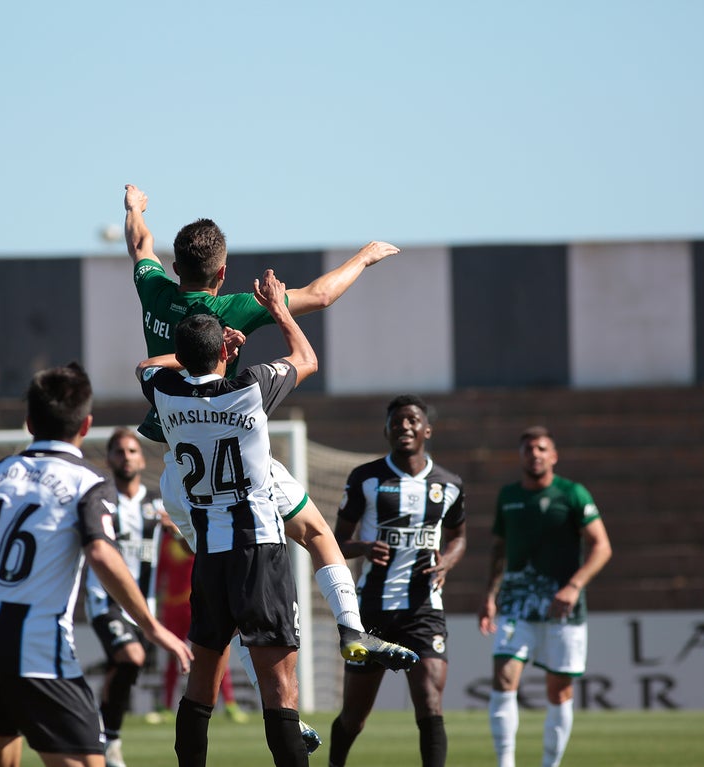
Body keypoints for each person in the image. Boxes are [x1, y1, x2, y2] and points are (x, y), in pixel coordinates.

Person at [123, 183, 416, 681]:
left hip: (181, 475)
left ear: (175, 267)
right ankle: (352, 629)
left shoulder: (153, 289)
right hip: (237, 461)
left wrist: (134, 208)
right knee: (317, 534)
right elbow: (321, 295)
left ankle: (275, 707)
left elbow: (138, 244)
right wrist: (364, 257)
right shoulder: (230, 309)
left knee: (225, 585)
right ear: (222, 273)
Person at [0, 363, 193, 767]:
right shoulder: (87, 483)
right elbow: (100, 553)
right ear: (86, 425)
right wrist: (151, 626)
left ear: (29, 423)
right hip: (38, 645)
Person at [135, 269, 316, 766]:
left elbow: (147, 364)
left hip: (209, 554)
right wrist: (277, 309)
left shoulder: (164, 392)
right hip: (258, 551)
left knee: (200, 688)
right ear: (224, 352)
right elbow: (306, 359)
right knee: (280, 691)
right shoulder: (250, 388)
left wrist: (200, 352)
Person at [328, 394, 467, 767]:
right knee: (354, 717)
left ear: (426, 430)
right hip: (372, 609)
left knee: (429, 700)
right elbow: (336, 542)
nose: (404, 426)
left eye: (412, 420)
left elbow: (459, 537)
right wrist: (364, 547)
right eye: (397, 421)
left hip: (424, 609)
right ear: (386, 430)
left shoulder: (449, 484)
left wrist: (447, 561)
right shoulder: (366, 478)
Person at [477, 426, 613, 767]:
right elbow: (499, 549)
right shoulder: (508, 496)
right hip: (516, 604)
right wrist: (490, 595)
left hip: (561, 608)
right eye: (528, 449)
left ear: (553, 456)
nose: (534, 454)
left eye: (541, 449)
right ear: (520, 456)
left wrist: (574, 586)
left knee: (559, 691)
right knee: (504, 677)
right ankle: (505, 763)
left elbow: (602, 546)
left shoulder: (572, 493)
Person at [84, 427, 177, 767]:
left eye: (132, 451)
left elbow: (188, 547)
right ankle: (108, 738)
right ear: (109, 459)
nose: (126, 457)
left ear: (142, 459)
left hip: (143, 609)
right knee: (131, 657)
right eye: (119, 451)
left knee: (122, 668)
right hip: (105, 601)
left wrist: (177, 529)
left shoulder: (157, 504)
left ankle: (104, 738)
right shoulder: (99, 500)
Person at [148, 522, 249, 725]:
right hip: (172, 607)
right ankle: (167, 706)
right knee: (172, 658)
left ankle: (230, 704)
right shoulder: (165, 540)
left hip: (197, 604)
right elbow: (160, 573)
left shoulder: (195, 535)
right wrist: (154, 604)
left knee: (216, 651)